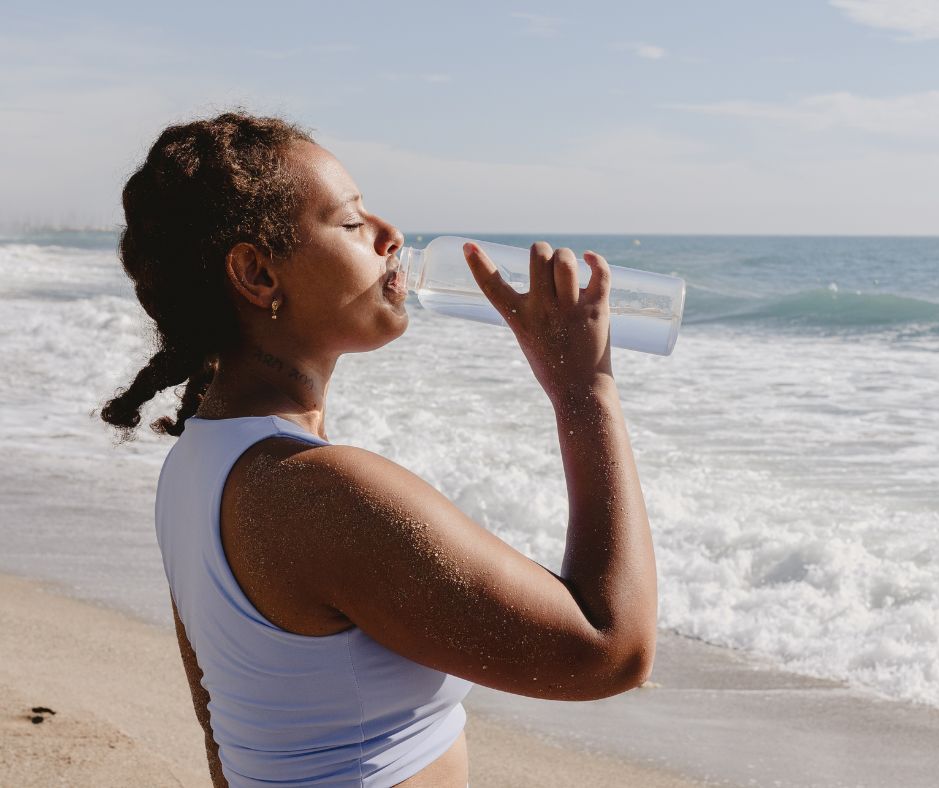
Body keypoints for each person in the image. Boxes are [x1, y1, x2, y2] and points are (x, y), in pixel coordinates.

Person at [100, 111, 658, 788]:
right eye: (351, 222)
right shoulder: (319, 492)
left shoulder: (194, 466)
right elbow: (612, 650)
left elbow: (222, 737)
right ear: (257, 273)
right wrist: (582, 387)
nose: (392, 236)